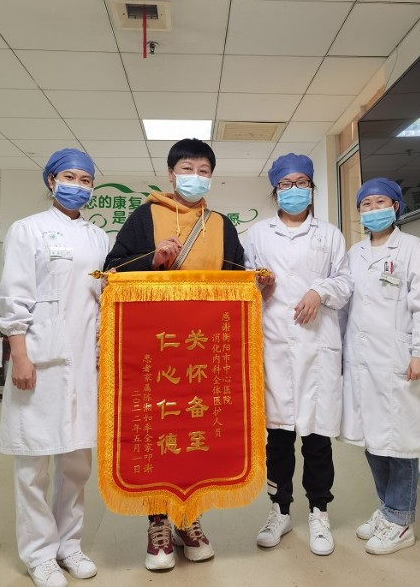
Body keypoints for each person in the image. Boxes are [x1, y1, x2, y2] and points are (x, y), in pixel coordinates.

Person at [104, 137, 245, 571]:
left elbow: (238, 274)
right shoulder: (144, 216)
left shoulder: (221, 224)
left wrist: (259, 280)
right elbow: (112, 270)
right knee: (158, 429)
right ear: (170, 174)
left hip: (203, 350)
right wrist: (153, 260)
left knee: (197, 429)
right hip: (156, 348)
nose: (195, 178)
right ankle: (158, 523)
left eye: (204, 171)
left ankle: (189, 518)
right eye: (187, 169)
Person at [0, 149, 110, 587]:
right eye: (69, 176)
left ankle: (69, 545)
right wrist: (19, 355)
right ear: (51, 180)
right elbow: (13, 297)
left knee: (77, 462)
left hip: (84, 363)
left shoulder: (98, 238)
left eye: (86, 179)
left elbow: (103, 299)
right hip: (40, 359)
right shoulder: (28, 230)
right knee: (33, 465)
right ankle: (39, 554)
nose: (77, 185)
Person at [242, 153, 352, 556]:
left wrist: (318, 291)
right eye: (286, 184)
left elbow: (345, 281)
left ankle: (319, 512)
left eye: (302, 183)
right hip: (273, 345)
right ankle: (280, 510)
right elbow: (242, 282)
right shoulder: (257, 234)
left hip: (317, 345)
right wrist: (258, 283)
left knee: (317, 439)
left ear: (311, 188)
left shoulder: (330, 235)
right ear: (275, 190)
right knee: (278, 438)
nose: (294, 190)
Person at [340, 177, 420, 555]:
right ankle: (387, 508)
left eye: (380, 203)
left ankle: (401, 521)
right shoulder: (355, 253)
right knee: (374, 440)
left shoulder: (412, 248)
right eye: (365, 205)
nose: (372, 210)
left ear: (395, 207)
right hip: (362, 362)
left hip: (399, 360)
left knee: (400, 442)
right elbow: (346, 306)